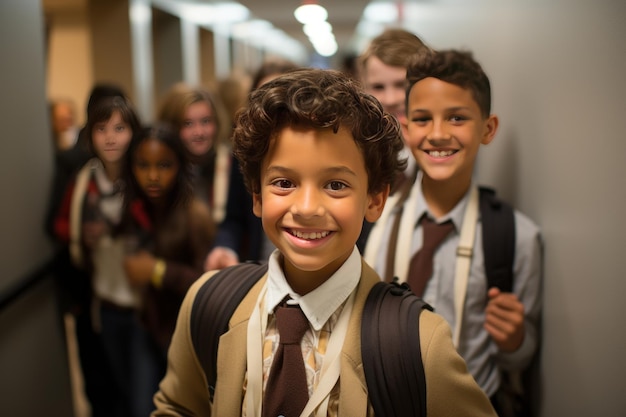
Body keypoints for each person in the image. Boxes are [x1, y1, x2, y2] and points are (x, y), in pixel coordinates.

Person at [152, 68, 497, 416]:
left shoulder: (418, 343)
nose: (306, 209)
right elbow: (178, 407)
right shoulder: (209, 304)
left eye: (335, 185)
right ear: (256, 195)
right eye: (284, 183)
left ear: (375, 199)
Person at [365, 49, 543, 413]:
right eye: (423, 119)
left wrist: (515, 340)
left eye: (457, 118)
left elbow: (520, 358)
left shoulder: (517, 238)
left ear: (487, 129)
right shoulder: (375, 217)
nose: (439, 134)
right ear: (407, 127)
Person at [54, 95, 161, 417]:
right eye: (102, 129)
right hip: (107, 305)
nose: (111, 137)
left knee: (146, 401)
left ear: (134, 131)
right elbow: (62, 223)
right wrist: (82, 235)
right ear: (90, 135)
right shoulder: (84, 180)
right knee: (123, 393)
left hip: (146, 306)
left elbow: (166, 226)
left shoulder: (144, 174)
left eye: (119, 128)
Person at [122, 123, 215, 359]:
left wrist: (157, 271)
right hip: (146, 327)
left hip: (187, 336)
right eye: (143, 165)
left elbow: (209, 283)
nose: (153, 176)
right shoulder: (137, 208)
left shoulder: (195, 214)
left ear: (180, 166)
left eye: (164, 165)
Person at [204, 59, 301, 271]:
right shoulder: (245, 155)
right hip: (262, 271)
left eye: (284, 97)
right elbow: (234, 219)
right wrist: (225, 247)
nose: (275, 108)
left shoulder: (319, 156)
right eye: (265, 98)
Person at [356, 28, 431, 252]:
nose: (390, 99)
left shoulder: (444, 147)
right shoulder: (359, 150)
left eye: (402, 85)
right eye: (378, 87)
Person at [157, 83, 231, 223]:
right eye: (188, 124)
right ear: (171, 126)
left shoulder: (231, 164)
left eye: (206, 121)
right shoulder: (160, 169)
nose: (199, 132)